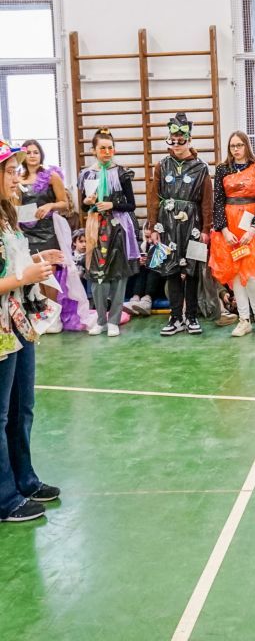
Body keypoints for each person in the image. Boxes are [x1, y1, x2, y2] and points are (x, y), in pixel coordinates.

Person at [0, 139, 63, 523]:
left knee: (21, 407)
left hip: (20, 320)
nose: (17, 178)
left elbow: (13, 263)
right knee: (0, 414)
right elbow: (11, 276)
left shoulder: (7, 215)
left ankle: (24, 480)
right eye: (10, 172)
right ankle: (5, 498)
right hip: (2, 328)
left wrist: (39, 259)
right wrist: (23, 277)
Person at [209, 131, 255, 338]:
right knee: (235, 274)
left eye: (239, 145)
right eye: (232, 146)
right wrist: (224, 230)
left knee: (250, 274)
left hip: (252, 225)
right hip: (229, 227)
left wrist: (253, 229)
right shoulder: (222, 169)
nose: (236, 149)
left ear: (246, 146)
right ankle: (243, 320)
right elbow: (218, 201)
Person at [147, 113, 213, 336]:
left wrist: (206, 229)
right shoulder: (162, 165)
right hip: (167, 225)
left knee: (192, 270)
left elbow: (207, 201)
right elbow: (153, 197)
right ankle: (175, 317)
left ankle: (191, 316)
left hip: (193, 224)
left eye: (180, 140)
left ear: (189, 140)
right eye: (172, 140)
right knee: (171, 270)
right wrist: (153, 226)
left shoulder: (201, 167)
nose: (176, 145)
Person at [18, 140, 92, 333]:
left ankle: (54, 316)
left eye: (36, 152)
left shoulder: (51, 176)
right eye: (28, 152)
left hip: (48, 231)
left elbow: (64, 203)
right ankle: (39, 314)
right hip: (26, 233)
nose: (32, 155)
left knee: (49, 273)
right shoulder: (18, 179)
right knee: (33, 274)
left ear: (41, 154)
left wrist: (50, 205)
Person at [78, 129, 141, 337]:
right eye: (102, 148)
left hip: (118, 228)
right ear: (93, 150)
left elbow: (131, 205)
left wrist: (112, 204)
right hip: (96, 228)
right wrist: (87, 202)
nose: (107, 152)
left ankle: (114, 320)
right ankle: (101, 320)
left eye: (110, 148)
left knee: (118, 275)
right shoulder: (87, 174)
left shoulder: (122, 173)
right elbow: (84, 206)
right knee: (97, 276)